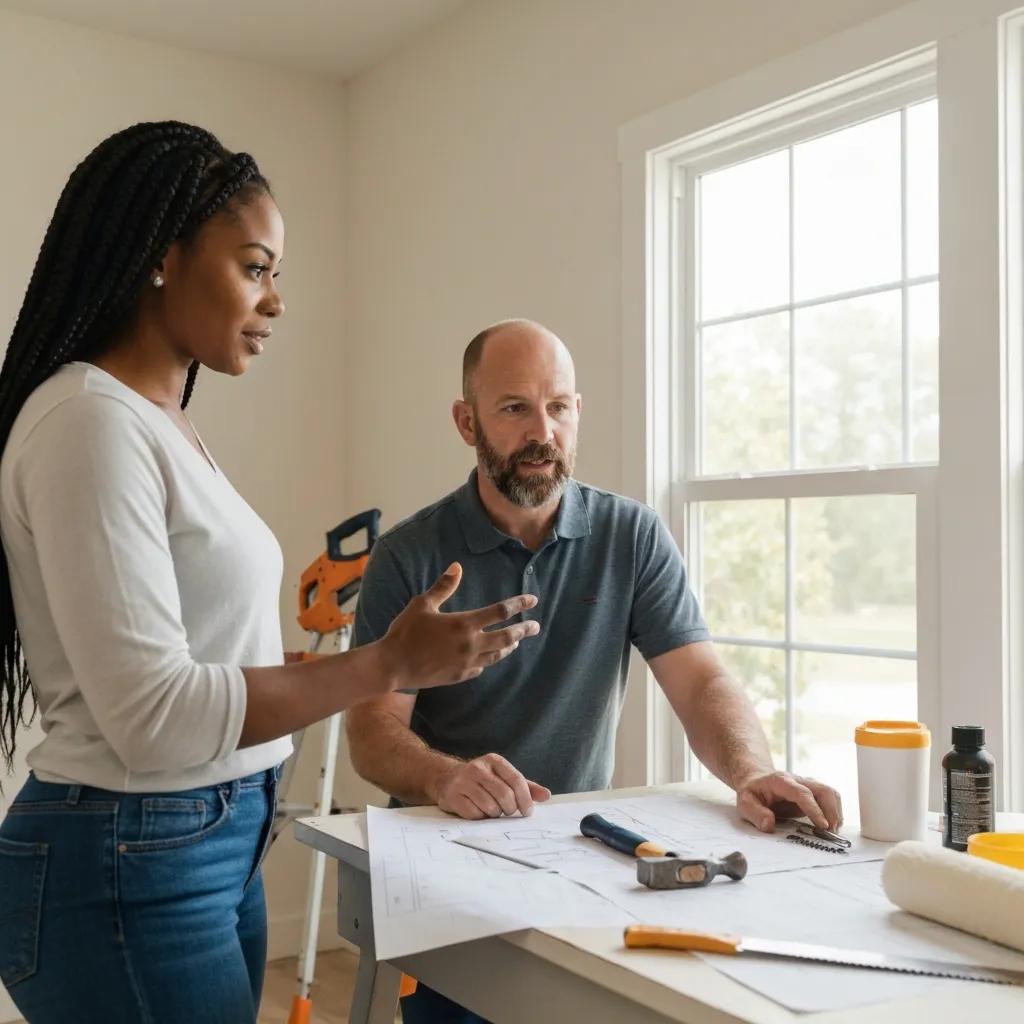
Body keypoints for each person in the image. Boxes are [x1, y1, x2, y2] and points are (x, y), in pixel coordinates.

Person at [0, 123, 539, 1024]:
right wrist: (383, 667)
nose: (277, 301)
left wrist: (291, 666)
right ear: (161, 258)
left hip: (209, 844)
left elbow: (181, 660)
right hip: (133, 861)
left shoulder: (156, 423)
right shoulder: (89, 425)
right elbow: (152, 717)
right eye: (255, 268)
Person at [346, 318, 844, 1024]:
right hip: (447, 863)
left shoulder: (631, 536)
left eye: (558, 406)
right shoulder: (409, 557)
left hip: (583, 858)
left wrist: (749, 770)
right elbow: (369, 730)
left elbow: (701, 681)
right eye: (514, 407)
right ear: (467, 422)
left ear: (577, 413)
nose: (541, 430)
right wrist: (442, 776)